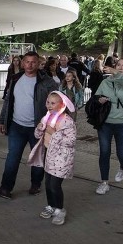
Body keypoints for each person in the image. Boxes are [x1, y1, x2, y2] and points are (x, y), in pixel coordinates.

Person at [0, 51, 57, 199]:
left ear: (39, 63)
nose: (30, 65)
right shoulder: (15, 78)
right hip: (16, 126)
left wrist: (51, 126)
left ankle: (35, 184)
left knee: (38, 158)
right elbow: (8, 101)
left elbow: (56, 105)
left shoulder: (47, 82)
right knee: (12, 157)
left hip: (38, 127)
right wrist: (2, 120)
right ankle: (5, 188)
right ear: (22, 63)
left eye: (33, 62)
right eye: (27, 62)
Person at [27, 91, 77, 225]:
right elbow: (38, 136)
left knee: (55, 185)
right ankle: (51, 206)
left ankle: (60, 210)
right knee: (48, 184)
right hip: (49, 156)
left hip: (62, 158)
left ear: (62, 105)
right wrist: (39, 129)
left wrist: (53, 133)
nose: (49, 105)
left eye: (53, 103)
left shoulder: (67, 120)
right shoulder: (47, 117)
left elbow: (71, 141)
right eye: (48, 102)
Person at [94, 56, 123, 195]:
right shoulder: (105, 82)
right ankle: (104, 182)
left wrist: (115, 73)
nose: (120, 68)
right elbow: (96, 97)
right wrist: (99, 100)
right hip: (106, 123)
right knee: (104, 152)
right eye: (118, 65)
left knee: (122, 154)